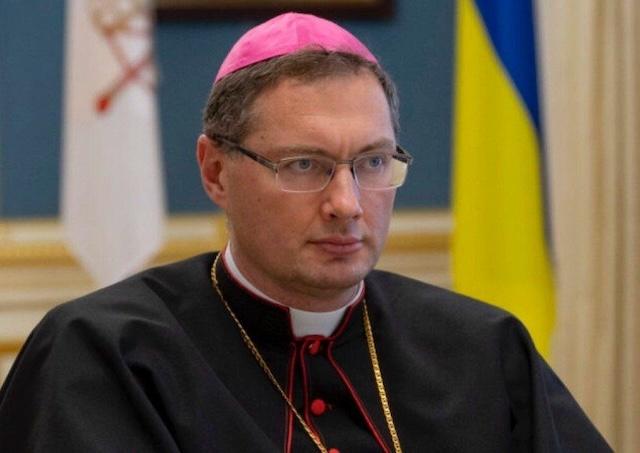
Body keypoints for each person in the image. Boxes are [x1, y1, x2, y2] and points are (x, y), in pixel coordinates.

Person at [0, 12, 611, 453]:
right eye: (303, 165)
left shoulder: (483, 348)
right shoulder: (104, 355)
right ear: (216, 171)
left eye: (373, 162)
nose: (347, 204)